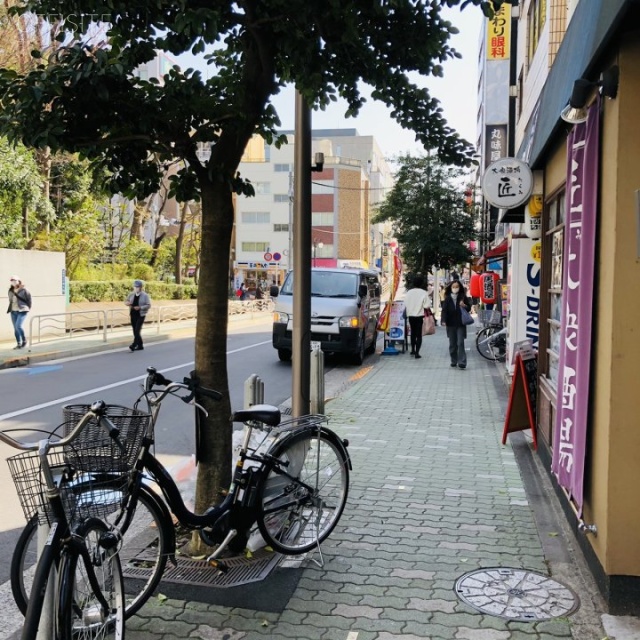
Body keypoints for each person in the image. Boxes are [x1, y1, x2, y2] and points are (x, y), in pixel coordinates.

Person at [441, 280, 473, 369]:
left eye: (457, 287)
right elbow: (444, 310)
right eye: (453, 287)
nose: (455, 288)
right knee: (452, 344)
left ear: (460, 287)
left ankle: (462, 362)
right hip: (450, 323)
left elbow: (469, 308)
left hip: (460, 323)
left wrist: (464, 306)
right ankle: (453, 360)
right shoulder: (447, 298)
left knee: (460, 342)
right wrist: (443, 320)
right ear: (451, 288)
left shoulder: (462, 297)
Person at [402, 275, 431, 359]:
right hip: (419, 316)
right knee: (419, 335)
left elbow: (406, 303)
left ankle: (413, 350)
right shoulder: (423, 292)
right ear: (421, 283)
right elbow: (427, 306)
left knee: (413, 333)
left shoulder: (409, 292)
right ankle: (417, 353)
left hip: (410, 315)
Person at [125, 279, 151, 351]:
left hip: (141, 315)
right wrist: (127, 303)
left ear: (141, 287)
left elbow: (148, 305)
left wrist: (140, 307)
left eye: (137, 287)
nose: (135, 288)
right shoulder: (131, 294)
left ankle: (134, 345)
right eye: (134, 287)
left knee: (137, 330)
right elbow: (126, 301)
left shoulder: (145, 295)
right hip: (133, 314)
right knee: (134, 330)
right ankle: (140, 345)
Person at [7, 275, 32, 349]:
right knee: (15, 328)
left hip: (22, 310)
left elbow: (29, 299)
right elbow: (11, 300)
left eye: (15, 280)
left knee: (18, 326)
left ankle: (24, 341)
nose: (13, 282)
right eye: (12, 281)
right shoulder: (10, 291)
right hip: (13, 311)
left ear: (18, 281)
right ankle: (18, 344)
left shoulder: (24, 290)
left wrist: (27, 308)